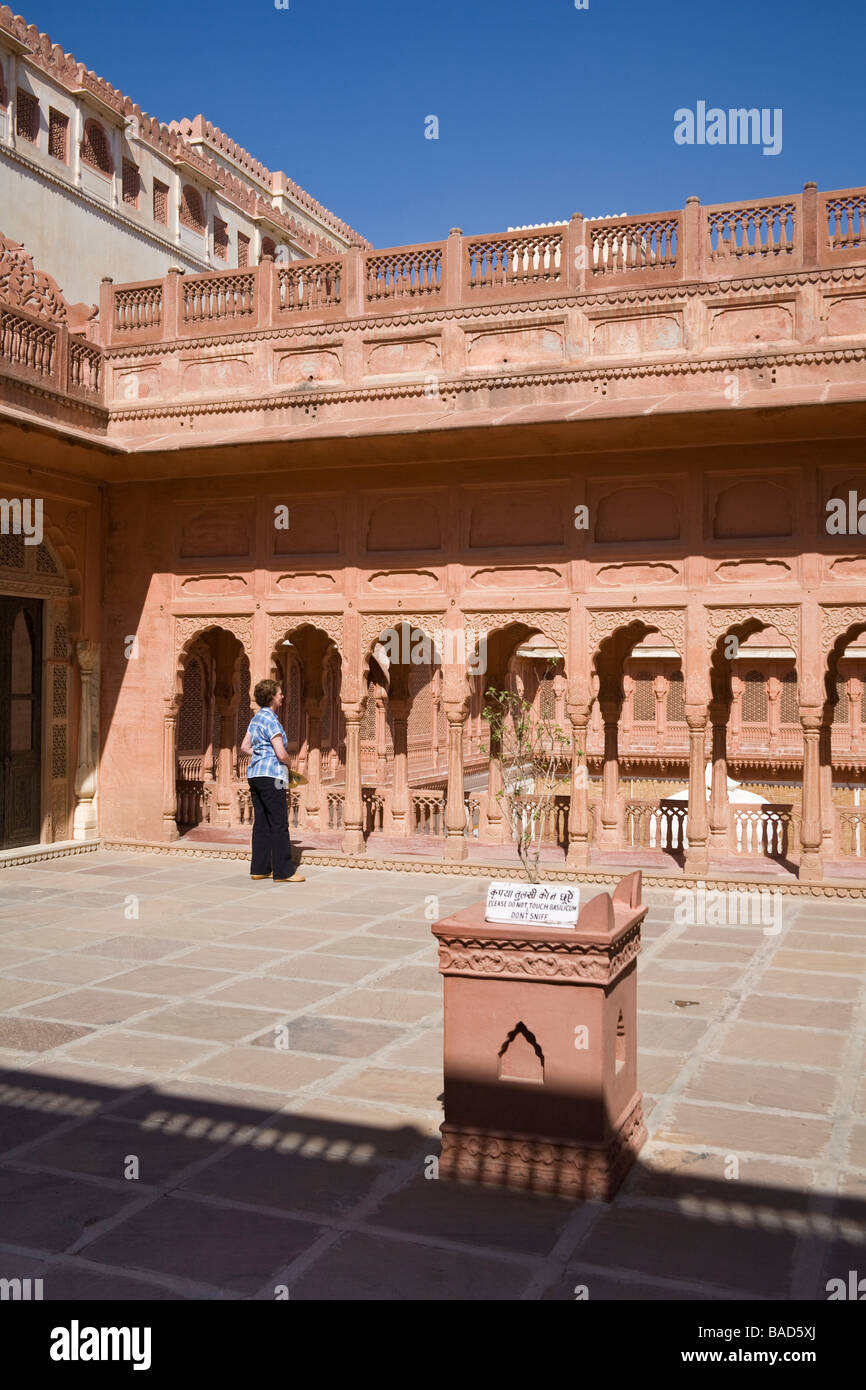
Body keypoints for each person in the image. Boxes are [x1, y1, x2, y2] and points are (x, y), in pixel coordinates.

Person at [240, 678, 305, 883]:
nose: (282, 696)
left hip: (255, 774)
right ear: (271, 697)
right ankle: (283, 872)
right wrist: (289, 764)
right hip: (272, 775)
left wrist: (259, 753)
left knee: (261, 822)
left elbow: (244, 746)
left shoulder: (256, 718)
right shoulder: (271, 719)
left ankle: (259, 869)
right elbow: (280, 752)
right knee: (278, 822)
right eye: (279, 693)